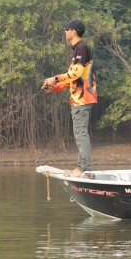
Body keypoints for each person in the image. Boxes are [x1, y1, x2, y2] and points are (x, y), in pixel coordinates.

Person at [42, 19, 97, 177]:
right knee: (79, 133)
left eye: (67, 29)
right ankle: (81, 167)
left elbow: (77, 73)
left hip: (83, 98)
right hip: (78, 99)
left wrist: (55, 78)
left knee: (81, 134)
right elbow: (71, 79)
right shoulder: (77, 50)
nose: (65, 32)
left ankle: (84, 168)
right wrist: (54, 87)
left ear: (74, 31)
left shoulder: (82, 48)